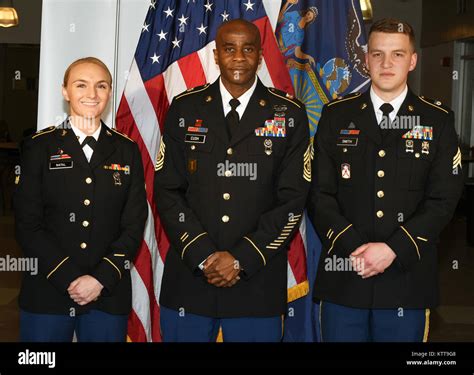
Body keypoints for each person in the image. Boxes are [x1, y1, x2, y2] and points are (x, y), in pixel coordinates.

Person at [307, 18, 464, 342]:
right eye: (378, 54)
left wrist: (393, 249)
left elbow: (443, 200)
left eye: (397, 54)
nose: (387, 63)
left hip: (406, 280)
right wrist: (355, 248)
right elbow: (319, 194)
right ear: (366, 60)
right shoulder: (336, 116)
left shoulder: (437, 120)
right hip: (345, 277)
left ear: (413, 60)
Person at [154, 19, 311, 342]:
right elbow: (168, 190)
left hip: (256, 283)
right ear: (216, 55)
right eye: (229, 49)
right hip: (191, 281)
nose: (238, 57)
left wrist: (242, 258)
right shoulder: (185, 108)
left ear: (261, 55)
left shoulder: (289, 113)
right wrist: (203, 255)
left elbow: (293, 199)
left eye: (248, 49)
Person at [14, 57, 147, 342]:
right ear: (65, 91)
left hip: (107, 293)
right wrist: (69, 278)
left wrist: (100, 279)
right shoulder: (39, 147)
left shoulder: (127, 150)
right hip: (47, 291)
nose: (91, 94)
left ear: (109, 92)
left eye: (101, 86)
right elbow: (27, 224)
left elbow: (134, 225)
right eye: (81, 85)